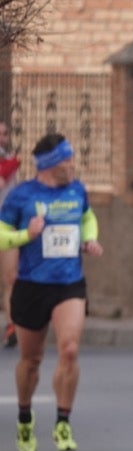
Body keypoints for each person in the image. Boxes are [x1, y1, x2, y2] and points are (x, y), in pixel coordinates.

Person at [0, 132, 104, 451]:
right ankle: (25, 415)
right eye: (67, 159)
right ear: (50, 164)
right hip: (32, 285)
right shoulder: (21, 196)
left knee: (70, 350)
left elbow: (87, 218)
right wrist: (25, 234)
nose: (72, 164)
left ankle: (63, 421)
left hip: (69, 282)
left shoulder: (77, 190)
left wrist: (90, 240)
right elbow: (2, 237)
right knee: (31, 361)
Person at [0, 121, 22, 348]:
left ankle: (12, 326)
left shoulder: (10, 163)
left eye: (4, 134)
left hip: (6, 226)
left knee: (10, 278)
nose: (2, 138)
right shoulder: (9, 164)